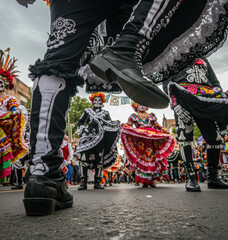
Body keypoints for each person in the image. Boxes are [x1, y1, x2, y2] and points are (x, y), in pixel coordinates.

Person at [16, 0, 228, 215]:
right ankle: (128, 48)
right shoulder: (91, 113)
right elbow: (83, 123)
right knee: (57, 63)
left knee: (57, 62)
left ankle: (42, 174)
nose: (98, 104)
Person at [163, 58, 228, 192]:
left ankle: (213, 177)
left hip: (205, 100)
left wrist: (217, 97)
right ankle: (190, 178)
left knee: (214, 138)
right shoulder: (171, 55)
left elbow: (215, 81)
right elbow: (167, 82)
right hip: (183, 99)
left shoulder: (203, 58)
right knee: (184, 137)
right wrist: (175, 104)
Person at [121, 102, 175, 187]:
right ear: (136, 106)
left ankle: (153, 180)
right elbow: (129, 125)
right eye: (140, 105)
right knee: (142, 158)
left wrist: (163, 130)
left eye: (144, 104)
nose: (142, 106)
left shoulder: (151, 116)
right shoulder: (133, 116)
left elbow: (157, 125)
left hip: (151, 139)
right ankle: (144, 181)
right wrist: (123, 125)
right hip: (140, 140)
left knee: (152, 158)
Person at [76, 92, 120, 190]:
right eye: (95, 100)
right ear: (92, 101)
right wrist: (85, 129)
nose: (97, 102)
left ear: (102, 102)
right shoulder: (87, 111)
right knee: (84, 159)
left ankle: (97, 182)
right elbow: (80, 122)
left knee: (99, 159)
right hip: (88, 138)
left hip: (100, 139)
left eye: (99, 100)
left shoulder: (105, 113)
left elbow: (109, 125)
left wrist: (115, 124)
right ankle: (83, 183)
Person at [0, 49, 28, 184]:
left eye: (1, 82)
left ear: (6, 85)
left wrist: (16, 110)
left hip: (4, 127)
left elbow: (14, 109)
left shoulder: (8, 99)